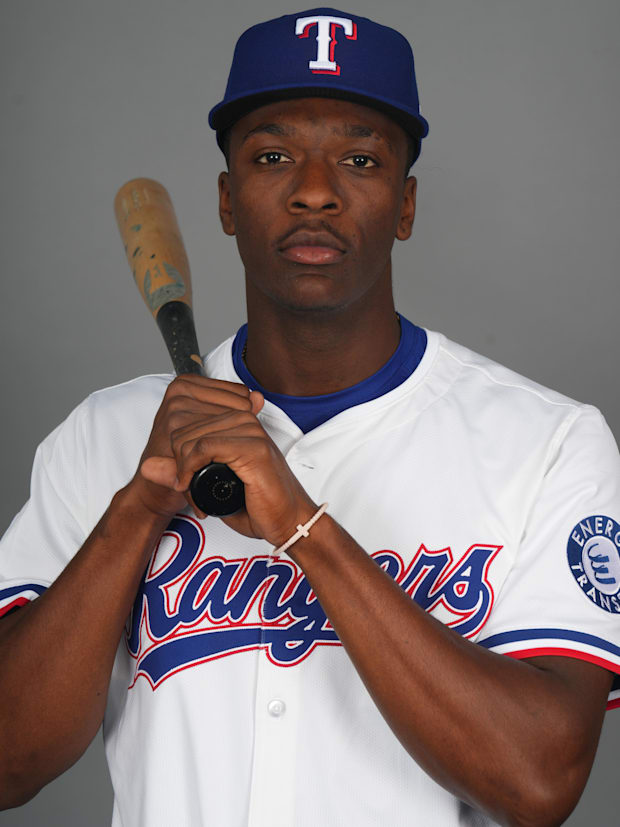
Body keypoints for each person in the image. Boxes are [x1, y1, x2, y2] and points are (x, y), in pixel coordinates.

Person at [1, 7, 620, 826]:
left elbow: (539, 781)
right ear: (227, 202)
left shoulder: (549, 442)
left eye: (359, 158)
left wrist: (302, 523)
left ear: (405, 206)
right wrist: (139, 506)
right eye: (272, 155)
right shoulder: (105, 437)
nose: (315, 190)